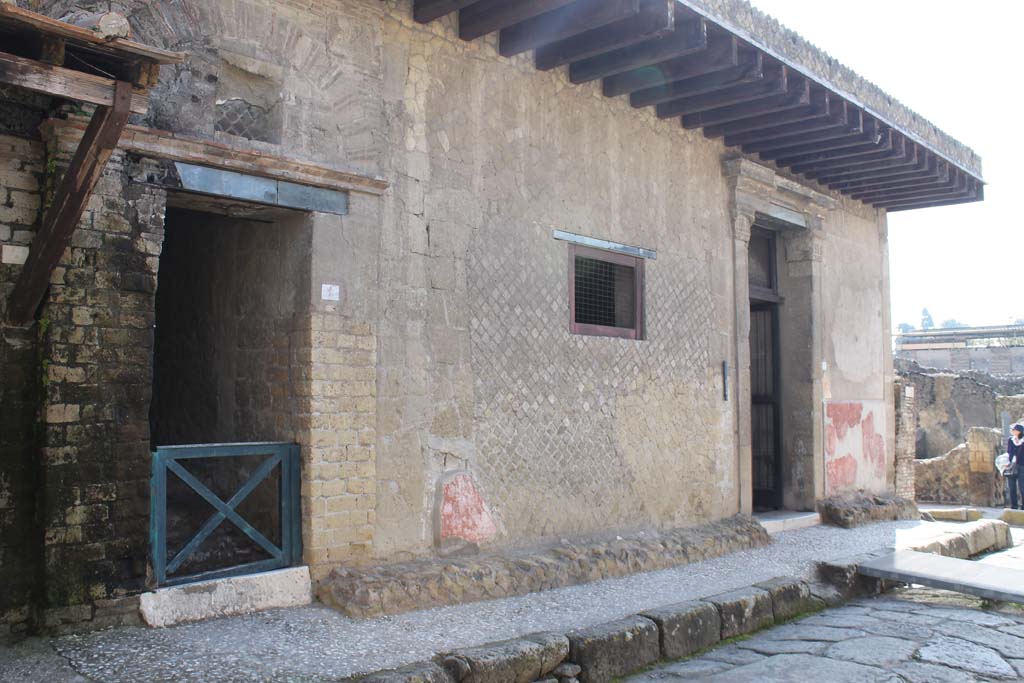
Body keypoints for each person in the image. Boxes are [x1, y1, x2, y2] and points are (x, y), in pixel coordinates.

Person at [1007, 424, 1024, 510]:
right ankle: (1014, 505)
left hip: (1022, 466)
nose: (1012, 431)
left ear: (1018, 431)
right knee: (1011, 487)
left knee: (1022, 487)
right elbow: (1009, 451)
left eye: (1014, 429)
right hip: (1012, 465)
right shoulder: (1010, 440)